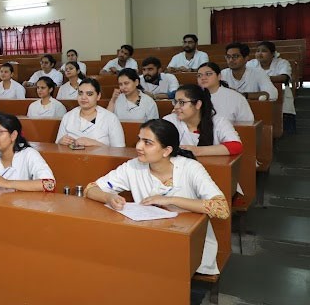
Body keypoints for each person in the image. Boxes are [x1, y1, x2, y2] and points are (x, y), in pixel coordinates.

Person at [84, 119, 228, 275]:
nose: (139, 146)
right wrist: (108, 197)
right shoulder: (133, 166)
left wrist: (170, 200)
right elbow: (90, 189)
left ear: (166, 151)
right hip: (150, 242)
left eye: (147, 143)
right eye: (139, 140)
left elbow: (221, 208)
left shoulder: (190, 168)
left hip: (191, 246)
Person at [163, 85, 243, 156]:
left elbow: (236, 146)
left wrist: (197, 151)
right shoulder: (169, 121)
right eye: (175, 102)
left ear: (198, 104)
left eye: (182, 102)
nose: (176, 107)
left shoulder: (219, 122)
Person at [56, 78, 125, 147]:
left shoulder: (111, 118)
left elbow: (119, 150)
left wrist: (94, 143)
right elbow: (57, 145)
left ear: (98, 96)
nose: (83, 97)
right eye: (80, 93)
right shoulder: (68, 116)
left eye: (89, 94)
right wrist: (61, 141)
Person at [246, 40, 295, 130]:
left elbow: (283, 77)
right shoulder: (251, 64)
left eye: (264, 51)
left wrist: (261, 78)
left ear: (272, 54)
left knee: (286, 135)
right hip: (258, 102)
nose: (260, 53)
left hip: (282, 100)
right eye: (257, 51)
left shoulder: (282, 63)